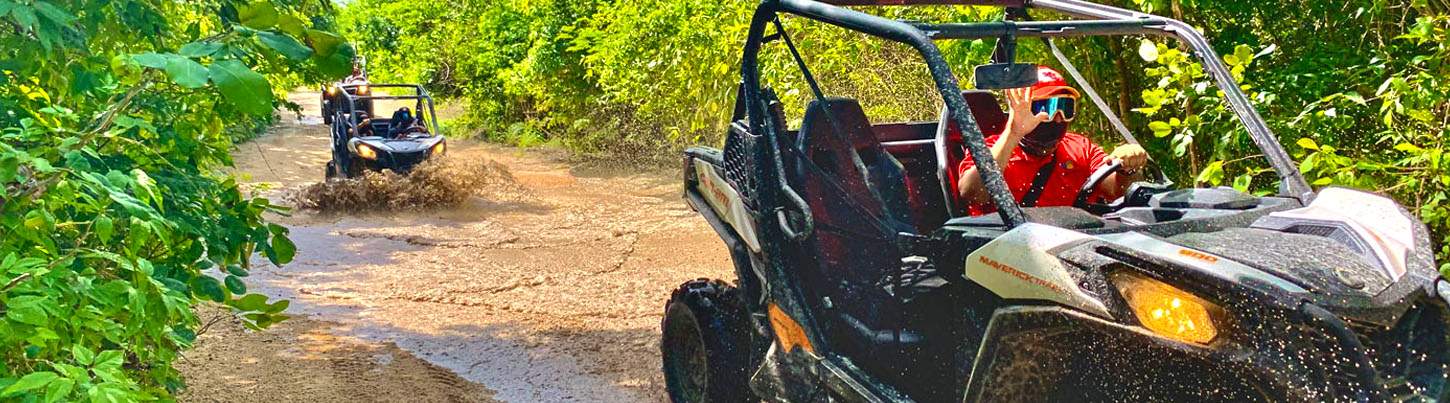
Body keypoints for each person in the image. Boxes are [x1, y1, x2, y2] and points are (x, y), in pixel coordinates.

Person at [956, 65, 1149, 215]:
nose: (1058, 117)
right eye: (1047, 108)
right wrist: (1013, 133)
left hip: (1071, 246)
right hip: (1006, 252)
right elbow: (973, 194)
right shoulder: (992, 149)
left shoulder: (1080, 148)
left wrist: (1127, 168)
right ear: (1024, 110)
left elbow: (1116, 191)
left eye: (1065, 107)